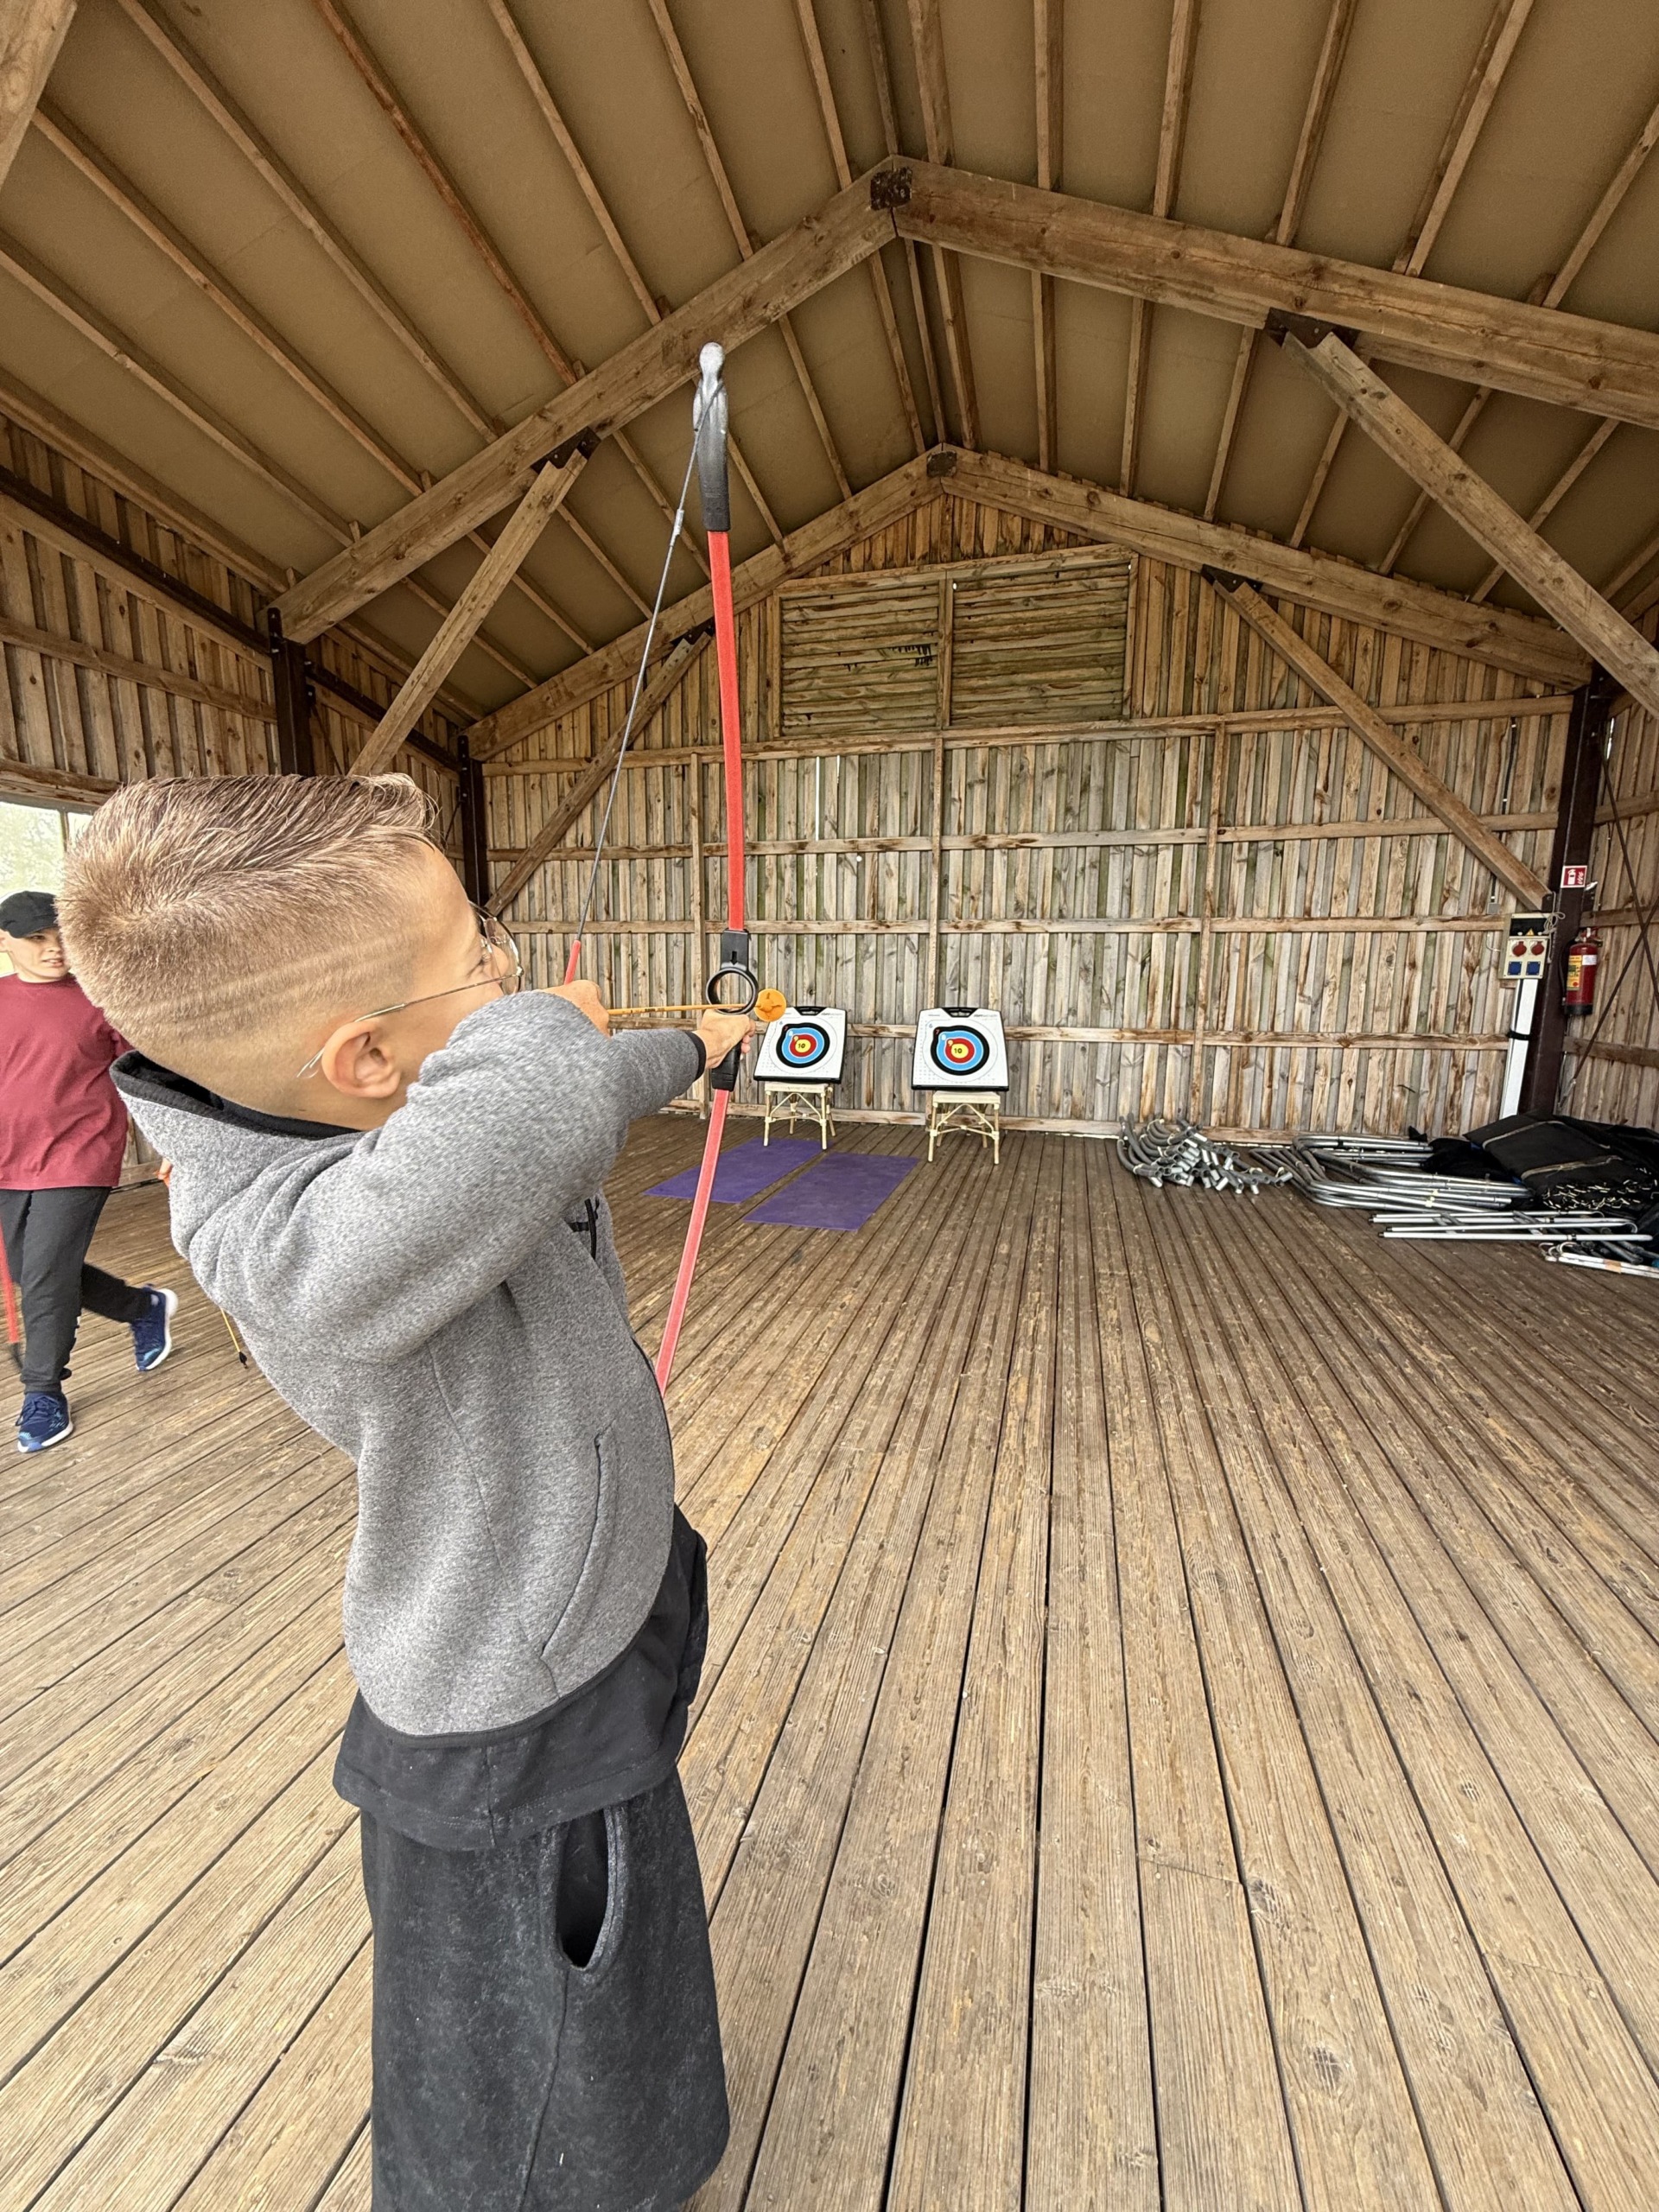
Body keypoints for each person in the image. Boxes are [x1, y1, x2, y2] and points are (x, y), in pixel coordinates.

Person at [58, 774, 748, 2212]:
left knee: (607, 2028)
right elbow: (545, 1084)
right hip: (507, 1709)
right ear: (365, 1057)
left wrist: (696, 1043)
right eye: (481, 958)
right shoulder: (296, 1236)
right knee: (501, 2102)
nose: (509, 968)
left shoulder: (392, 1124)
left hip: (574, 1631)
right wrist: (551, 1025)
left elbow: (569, 1084)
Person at [0, 887, 177, 1452]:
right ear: (5, 941)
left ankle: (43, 1392)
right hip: (8, 1161)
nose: (54, 949)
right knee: (31, 1270)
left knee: (46, 1275)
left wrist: (176, 1141)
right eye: (37, 938)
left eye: (62, 937)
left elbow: (150, 1076)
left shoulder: (101, 1000)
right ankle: (143, 1308)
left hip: (79, 1154)